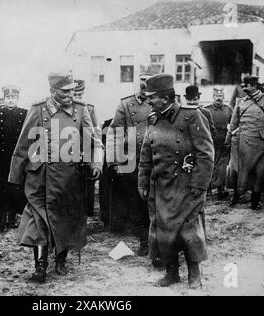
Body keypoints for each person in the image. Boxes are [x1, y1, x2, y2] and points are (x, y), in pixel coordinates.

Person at [8, 73, 103, 283]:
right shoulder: (38, 109)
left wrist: (96, 163)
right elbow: (23, 144)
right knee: (38, 220)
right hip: (40, 175)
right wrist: (15, 177)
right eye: (65, 91)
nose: (70, 94)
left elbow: (94, 141)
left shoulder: (81, 109)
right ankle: (40, 266)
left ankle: (60, 259)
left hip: (70, 177)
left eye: (71, 90)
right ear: (53, 92)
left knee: (65, 219)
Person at [138, 74, 213, 289]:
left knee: (189, 231)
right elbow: (146, 154)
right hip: (161, 187)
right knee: (163, 230)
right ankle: (171, 273)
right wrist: (143, 182)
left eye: (151, 97)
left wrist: (199, 185)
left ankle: (194, 274)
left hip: (186, 186)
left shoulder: (192, 116)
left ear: (164, 98)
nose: (148, 100)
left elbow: (205, 153)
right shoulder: (153, 119)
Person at [107, 73, 152, 257]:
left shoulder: (159, 101)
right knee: (136, 202)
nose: (145, 88)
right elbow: (115, 132)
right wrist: (115, 161)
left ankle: (157, 239)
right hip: (133, 160)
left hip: (155, 158)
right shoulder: (125, 104)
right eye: (142, 84)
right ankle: (144, 240)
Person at [226, 75, 264, 210]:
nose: (244, 88)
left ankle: (255, 201)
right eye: (243, 85)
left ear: (255, 86)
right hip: (243, 141)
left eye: (247, 85)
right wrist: (228, 139)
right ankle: (237, 196)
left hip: (262, 142)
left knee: (259, 172)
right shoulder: (241, 101)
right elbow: (234, 122)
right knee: (239, 171)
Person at [0, 85, 27, 231]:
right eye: (8, 97)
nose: (11, 100)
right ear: (4, 99)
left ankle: (12, 218)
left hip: (17, 157)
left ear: (17, 99)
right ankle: (2, 219)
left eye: (13, 98)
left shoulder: (24, 114)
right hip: (1, 158)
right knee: (2, 189)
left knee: (15, 187)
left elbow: (26, 137)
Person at [74, 79, 100, 218]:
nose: (77, 98)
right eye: (75, 95)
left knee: (86, 187)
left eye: (80, 95)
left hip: (86, 152)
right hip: (68, 152)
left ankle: (85, 215)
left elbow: (95, 133)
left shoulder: (89, 108)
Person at [204, 87, 233, 199]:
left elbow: (233, 124)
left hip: (224, 141)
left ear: (223, 97)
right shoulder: (207, 110)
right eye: (216, 96)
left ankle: (221, 188)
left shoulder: (228, 109)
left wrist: (229, 138)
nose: (218, 98)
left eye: (220, 96)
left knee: (222, 166)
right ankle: (209, 188)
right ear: (213, 97)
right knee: (210, 164)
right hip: (211, 140)